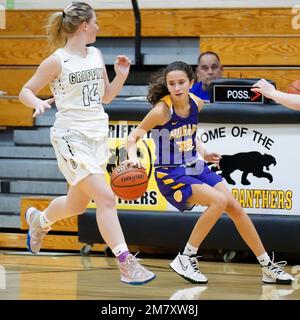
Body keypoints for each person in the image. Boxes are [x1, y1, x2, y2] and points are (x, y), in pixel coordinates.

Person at [18, 2, 155, 285]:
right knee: (106, 198)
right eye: (95, 22)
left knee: (77, 204)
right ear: (83, 25)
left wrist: (121, 77)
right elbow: (25, 90)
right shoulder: (57, 60)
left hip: (96, 137)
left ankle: (39, 221)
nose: (98, 26)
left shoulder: (96, 54)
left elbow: (105, 98)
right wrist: (38, 103)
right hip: (70, 137)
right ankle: (126, 263)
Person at [125, 61, 294, 285]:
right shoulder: (161, 110)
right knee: (218, 201)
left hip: (194, 165)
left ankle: (266, 266)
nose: (176, 88)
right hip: (170, 172)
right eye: (172, 84)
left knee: (235, 207)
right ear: (167, 85)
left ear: (191, 83)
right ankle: (185, 257)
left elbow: (190, 133)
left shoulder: (196, 103)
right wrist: (133, 157)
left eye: (181, 83)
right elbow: (133, 137)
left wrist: (203, 152)